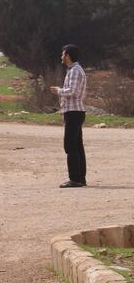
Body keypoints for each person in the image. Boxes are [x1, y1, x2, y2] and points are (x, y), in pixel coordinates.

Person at [50, 44, 88, 189]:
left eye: (63, 54)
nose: (61, 57)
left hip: (74, 112)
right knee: (77, 146)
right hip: (75, 112)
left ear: (68, 56)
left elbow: (71, 91)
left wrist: (58, 91)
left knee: (70, 145)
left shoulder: (75, 71)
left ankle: (75, 178)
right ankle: (80, 178)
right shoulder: (74, 70)